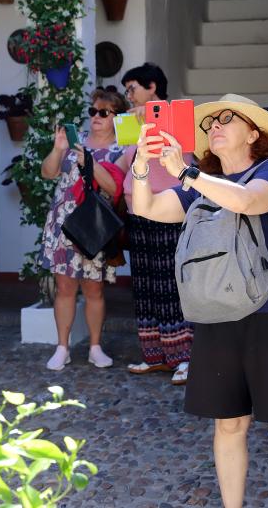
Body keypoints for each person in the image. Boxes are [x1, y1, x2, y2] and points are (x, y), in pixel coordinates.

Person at [131, 94, 268, 507]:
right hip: (217, 316)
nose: (214, 125)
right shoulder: (199, 185)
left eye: (226, 118)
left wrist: (186, 172)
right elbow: (144, 207)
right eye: (209, 122)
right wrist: (142, 165)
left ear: (253, 132)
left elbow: (248, 201)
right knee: (229, 427)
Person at [38, 87, 126, 371]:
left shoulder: (121, 149)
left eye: (104, 112)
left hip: (94, 226)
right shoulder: (75, 143)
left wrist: (89, 161)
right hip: (64, 224)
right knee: (64, 287)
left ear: (116, 116)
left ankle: (95, 347)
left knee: (94, 289)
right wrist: (58, 149)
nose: (96, 117)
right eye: (93, 111)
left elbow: (115, 189)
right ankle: (62, 347)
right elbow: (48, 173)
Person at [118, 62, 193, 385]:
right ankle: (156, 355)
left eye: (132, 88)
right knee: (146, 284)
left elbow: (184, 156)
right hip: (137, 209)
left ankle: (186, 358)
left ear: (152, 87)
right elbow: (125, 162)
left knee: (171, 283)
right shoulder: (132, 122)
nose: (128, 95)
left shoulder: (176, 118)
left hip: (167, 209)